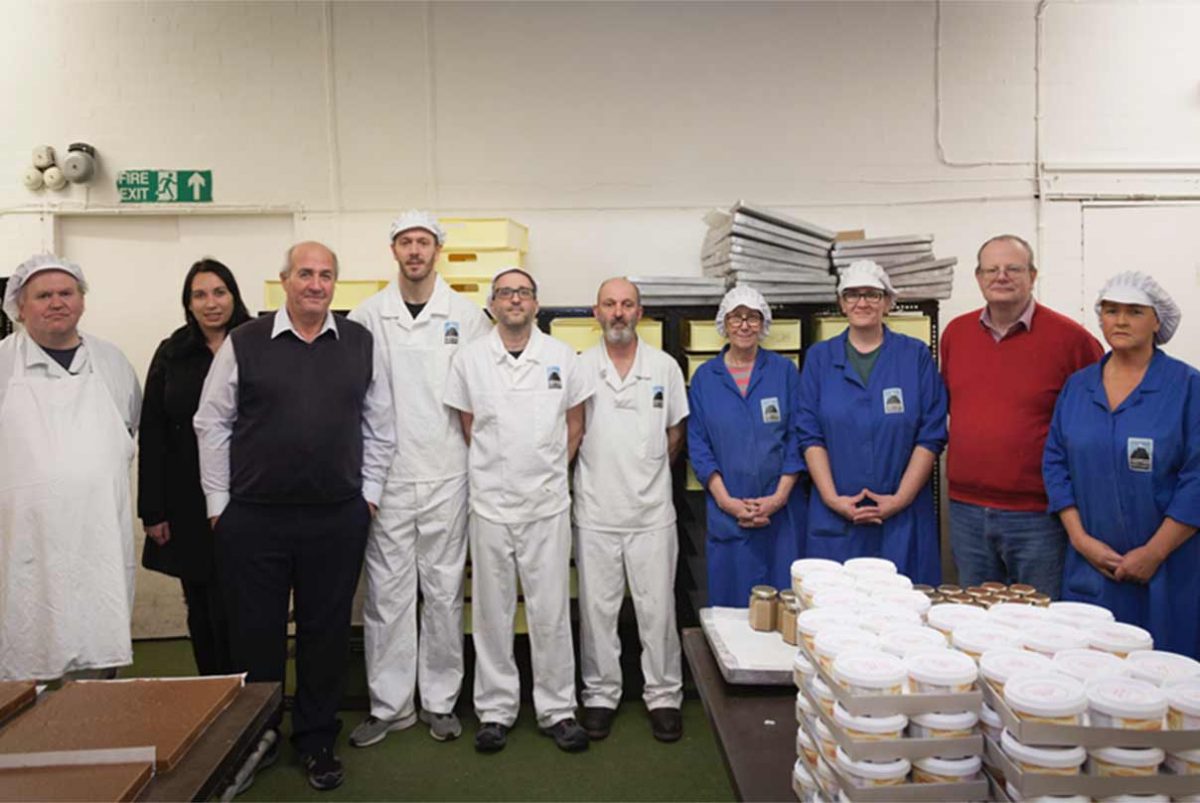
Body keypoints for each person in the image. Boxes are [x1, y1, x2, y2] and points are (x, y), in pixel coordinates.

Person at [194, 241, 395, 791]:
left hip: (336, 517)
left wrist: (368, 496)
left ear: (336, 284)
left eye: (326, 275)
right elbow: (211, 423)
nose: (315, 284)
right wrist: (220, 506)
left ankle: (316, 739)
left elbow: (381, 426)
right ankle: (256, 740)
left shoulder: (358, 342)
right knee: (255, 636)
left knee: (325, 634)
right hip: (255, 519)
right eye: (305, 273)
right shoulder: (246, 341)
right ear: (284, 280)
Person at [347, 211, 491, 747]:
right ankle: (390, 706)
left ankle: (440, 701)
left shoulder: (468, 316)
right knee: (386, 594)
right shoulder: (366, 318)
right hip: (386, 477)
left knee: (445, 590)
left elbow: (481, 400)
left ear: (438, 251)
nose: (414, 251)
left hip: (448, 473)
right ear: (393, 251)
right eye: (405, 242)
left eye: (423, 242)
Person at [443, 267, 594, 754]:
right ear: (492, 304)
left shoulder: (561, 357)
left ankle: (557, 709)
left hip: (547, 505)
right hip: (489, 504)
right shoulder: (469, 360)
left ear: (535, 303)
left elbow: (576, 424)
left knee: (550, 610)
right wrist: (501, 472)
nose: (514, 300)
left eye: (523, 293)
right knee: (491, 611)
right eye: (506, 293)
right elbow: (469, 426)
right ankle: (494, 709)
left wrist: (548, 470)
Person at [0, 254, 141, 682]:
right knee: (26, 644)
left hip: (99, 534)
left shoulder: (111, 362)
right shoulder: (3, 364)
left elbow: (129, 425)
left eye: (66, 293)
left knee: (98, 641)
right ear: (20, 308)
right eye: (43, 295)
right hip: (24, 539)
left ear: (81, 301)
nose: (56, 303)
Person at [1044, 272, 1200, 657]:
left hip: (1167, 569)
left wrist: (1154, 553)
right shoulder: (1079, 387)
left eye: (1134, 311)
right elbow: (1055, 462)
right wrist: (1081, 540)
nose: (1121, 320)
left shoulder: (1187, 387)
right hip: (1090, 565)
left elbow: (1197, 477)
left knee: (1165, 675)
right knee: (1089, 670)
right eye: (1110, 311)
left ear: (1157, 321)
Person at [941, 234, 1103, 598]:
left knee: (1040, 623)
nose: (1001, 276)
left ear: (1032, 275)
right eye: (991, 269)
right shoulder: (956, 334)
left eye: (1013, 268)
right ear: (978, 278)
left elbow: (1095, 423)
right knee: (976, 623)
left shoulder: (1071, 340)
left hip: (1038, 514)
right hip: (967, 510)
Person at [573, 278, 687, 744]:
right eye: (609, 304)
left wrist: (647, 471)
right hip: (595, 511)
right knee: (597, 611)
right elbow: (570, 431)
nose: (618, 312)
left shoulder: (664, 367)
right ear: (595, 312)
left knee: (657, 609)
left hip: (651, 514)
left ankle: (664, 696)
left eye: (627, 304)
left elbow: (675, 434)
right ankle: (600, 695)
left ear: (641, 312)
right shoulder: (579, 368)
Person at [797, 261, 947, 584]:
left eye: (872, 295)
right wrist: (832, 498)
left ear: (888, 302)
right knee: (834, 616)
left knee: (904, 616)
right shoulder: (820, 359)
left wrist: (900, 499)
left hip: (901, 518)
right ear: (841, 303)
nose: (861, 303)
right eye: (852, 295)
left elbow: (931, 434)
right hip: (835, 518)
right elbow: (809, 435)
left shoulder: (915, 356)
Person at [138, 258, 251, 677]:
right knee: (202, 603)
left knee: (245, 602)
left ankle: (253, 699)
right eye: (199, 295)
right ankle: (212, 694)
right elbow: (152, 430)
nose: (211, 303)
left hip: (247, 494)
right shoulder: (173, 352)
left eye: (219, 292)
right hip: (186, 498)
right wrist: (153, 511)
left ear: (234, 296)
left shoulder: (257, 343)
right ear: (188, 303)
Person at [687, 286, 805, 607]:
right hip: (728, 512)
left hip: (780, 513)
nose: (743, 324)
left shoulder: (784, 372)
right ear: (723, 323)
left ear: (764, 323)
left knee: (783, 605)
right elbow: (698, 446)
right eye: (735, 317)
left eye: (752, 317)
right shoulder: (705, 379)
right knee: (731, 608)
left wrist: (778, 498)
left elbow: (798, 437)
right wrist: (727, 502)